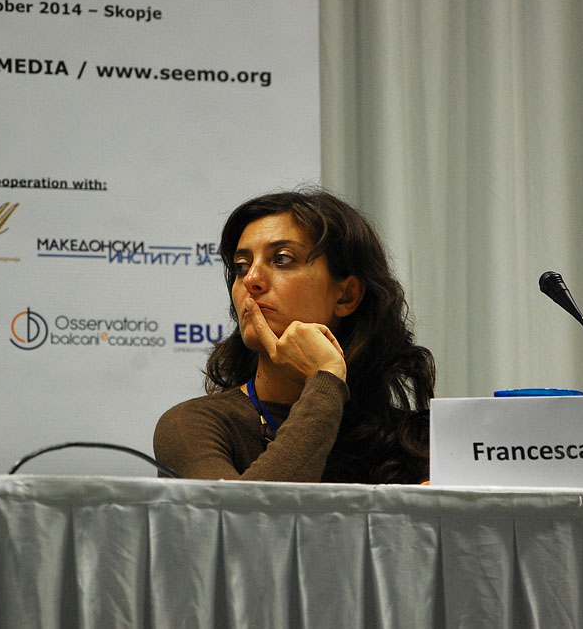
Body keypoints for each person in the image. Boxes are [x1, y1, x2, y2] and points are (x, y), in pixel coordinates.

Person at [154, 189, 435, 484]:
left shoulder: (414, 443)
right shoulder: (192, 425)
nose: (251, 279)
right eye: (241, 266)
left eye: (282, 259)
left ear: (346, 296)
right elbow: (243, 511)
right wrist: (326, 379)